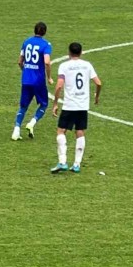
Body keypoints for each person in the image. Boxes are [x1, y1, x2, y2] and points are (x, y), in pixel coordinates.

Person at [51, 42, 101, 174]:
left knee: (61, 131)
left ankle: (62, 162)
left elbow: (59, 86)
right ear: (81, 52)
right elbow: (98, 83)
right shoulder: (87, 65)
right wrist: (96, 96)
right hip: (83, 105)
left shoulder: (64, 66)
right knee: (80, 131)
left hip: (69, 105)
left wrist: (55, 103)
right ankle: (77, 164)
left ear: (69, 52)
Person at [12, 22, 53, 141]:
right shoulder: (46, 44)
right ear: (45, 32)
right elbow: (47, 62)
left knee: (23, 106)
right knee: (44, 104)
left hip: (26, 80)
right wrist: (49, 77)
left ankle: (16, 130)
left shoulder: (26, 42)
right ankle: (32, 123)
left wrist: (25, 71)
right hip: (38, 81)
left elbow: (20, 61)